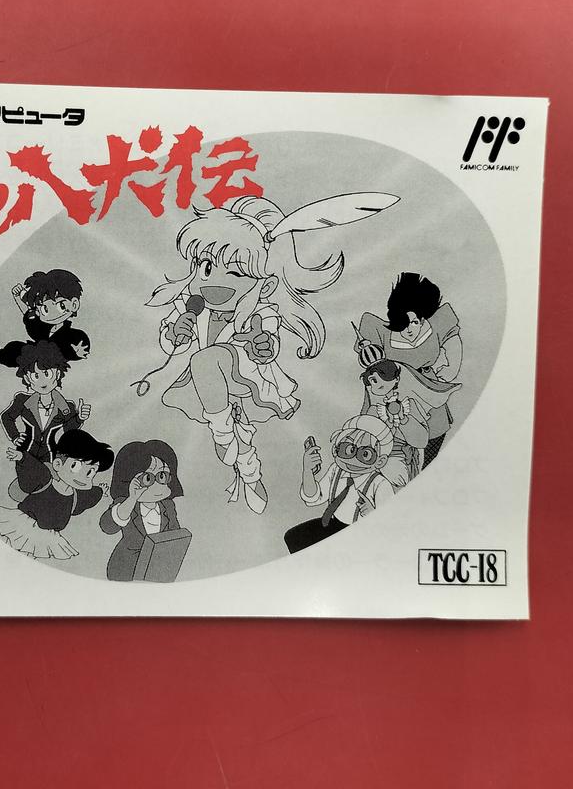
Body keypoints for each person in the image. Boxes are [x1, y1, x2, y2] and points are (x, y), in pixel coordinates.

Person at [141, 191, 398, 514]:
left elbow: (267, 345)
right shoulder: (192, 307)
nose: (215, 282)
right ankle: (248, 472)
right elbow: (170, 342)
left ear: (264, 282)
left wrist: (262, 346)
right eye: (207, 267)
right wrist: (175, 333)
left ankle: (231, 446)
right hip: (208, 386)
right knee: (235, 437)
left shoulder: (261, 311)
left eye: (236, 272)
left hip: (245, 378)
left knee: (208, 365)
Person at [355, 272, 462, 466]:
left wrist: (449, 370)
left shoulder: (433, 327)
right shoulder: (383, 333)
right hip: (394, 399)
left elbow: (453, 340)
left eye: (414, 322)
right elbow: (372, 364)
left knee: (429, 453)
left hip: (429, 398)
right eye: (403, 324)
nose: (410, 329)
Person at [283, 415, 406, 554]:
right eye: (348, 450)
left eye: (365, 454)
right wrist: (308, 471)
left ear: (380, 461)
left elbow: (389, 528)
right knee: (293, 537)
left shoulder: (380, 484)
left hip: (360, 535)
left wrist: (373, 514)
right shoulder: (336, 470)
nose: (352, 460)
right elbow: (313, 497)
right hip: (332, 524)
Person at [0, 428, 113, 560]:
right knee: (9, 551)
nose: (83, 477)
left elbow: (90, 496)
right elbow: (33, 469)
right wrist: (22, 457)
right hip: (25, 525)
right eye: (75, 466)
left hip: (48, 536)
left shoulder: (76, 497)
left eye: (91, 472)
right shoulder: (46, 480)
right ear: (58, 464)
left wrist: (100, 490)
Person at [0, 340, 90, 499]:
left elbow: (69, 430)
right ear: (27, 378)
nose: (42, 381)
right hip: (26, 453)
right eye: (36, 376)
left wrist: (79, 418)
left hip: (51, 456)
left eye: (47, 374)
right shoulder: (22, 401)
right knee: (30, 486)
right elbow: (6, 417)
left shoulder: (66, 406)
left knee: (49, 485)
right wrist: (15, 436)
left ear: (57, 374)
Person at [99, 440, 188, 582]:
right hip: (127, 567)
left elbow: (174, 534)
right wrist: (132, 498)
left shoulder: (168, 505)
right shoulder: (125, 505)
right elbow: (107, 526)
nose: (157, 486)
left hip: (156, 567)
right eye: (147, 479)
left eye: (162, 476)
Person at [0, 269, 90, 369]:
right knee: (17, 348)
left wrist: (77, 353)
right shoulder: (41, 326)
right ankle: (0, 356)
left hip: (54, 364)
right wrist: (17, 297)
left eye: (61, 306)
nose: (51, 314)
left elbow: (80, 346)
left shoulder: (72, 335)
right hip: (35, 357)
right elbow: (27, 312)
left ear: (74, 304)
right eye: (45, 309)